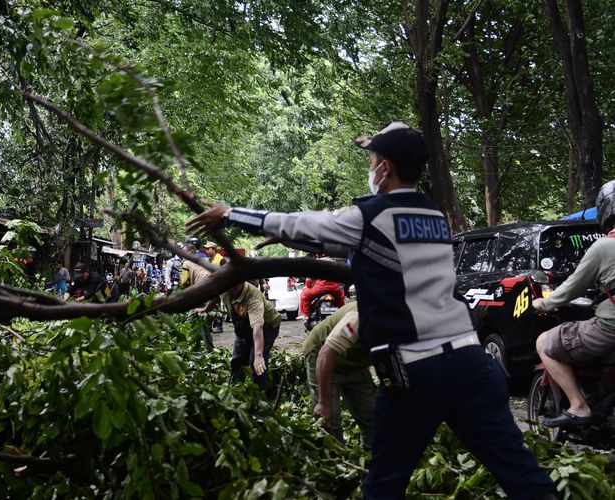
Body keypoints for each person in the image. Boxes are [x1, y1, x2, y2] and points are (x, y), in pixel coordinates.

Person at [187, 122, 556, 499]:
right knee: (521, 475)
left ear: (386, 168)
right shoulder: (433, 218)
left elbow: (308, 222)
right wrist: (292, 236)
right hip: (472, 364)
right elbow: (378, 252)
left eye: (374, 158)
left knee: (383, 484)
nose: (372, 165)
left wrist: (231, 214)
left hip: (416, 374)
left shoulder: (372, 215)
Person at [532, 180, 615, 427]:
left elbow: (572, 287)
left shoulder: (604, 246)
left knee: (544, 342)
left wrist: (543, 304)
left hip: (610, 327)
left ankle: (579, 406)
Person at [303, 301, 374, 450]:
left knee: (372, 418)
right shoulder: (359, 317)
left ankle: (371, 461)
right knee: (330, 421)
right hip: (321, 355)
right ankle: (336, 462)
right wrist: (324, 402)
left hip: (354, 361)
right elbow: (326, 353)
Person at [199, 280, 281, 393]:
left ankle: (260, 394)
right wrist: (205, 309)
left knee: (255, 361)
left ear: (242, 281)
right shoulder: (224, 287)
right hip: (243, 328)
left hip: (267, 328)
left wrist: (258, 356)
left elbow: (257, 328)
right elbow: (215, 296)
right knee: (237, 361)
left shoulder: (253, 298)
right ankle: (235, 390)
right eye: (229, 288)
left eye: (235, 287)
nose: (232, 291)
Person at [181, 241, 217, 351]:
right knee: (203, 324)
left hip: (200, 293)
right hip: (210, 291)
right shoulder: (204, 261)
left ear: (192, 252)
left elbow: (184, 283)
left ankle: (180, 345)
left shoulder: (186, 263)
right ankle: (209, 350)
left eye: (185, 252)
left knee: (188, 322)